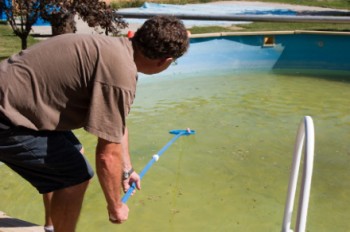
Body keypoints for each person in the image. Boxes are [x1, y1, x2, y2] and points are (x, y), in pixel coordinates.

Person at [0, 15, 189, 232]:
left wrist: (127, 170)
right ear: (164, 60)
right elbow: (107, 155)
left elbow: (117, 127)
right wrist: (115, 205)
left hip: (18, 104)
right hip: (7, 115)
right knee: (74, 177)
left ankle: (51, 228)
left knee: (74, 154)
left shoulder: (114, 49)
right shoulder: (120, 74)